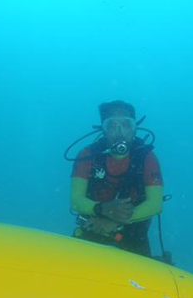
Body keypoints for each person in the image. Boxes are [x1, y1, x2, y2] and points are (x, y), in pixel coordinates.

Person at [69, 100, 165, 257]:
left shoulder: (147, 157)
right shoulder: (87, 155)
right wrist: (103, 209)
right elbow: (75, 201)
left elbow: (155, 204)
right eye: (112, 126)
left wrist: (114, 220)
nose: (120, 132)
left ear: (135, 129)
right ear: (103, 129)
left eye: (126, 125)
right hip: (92, 229)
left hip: (134, 237)